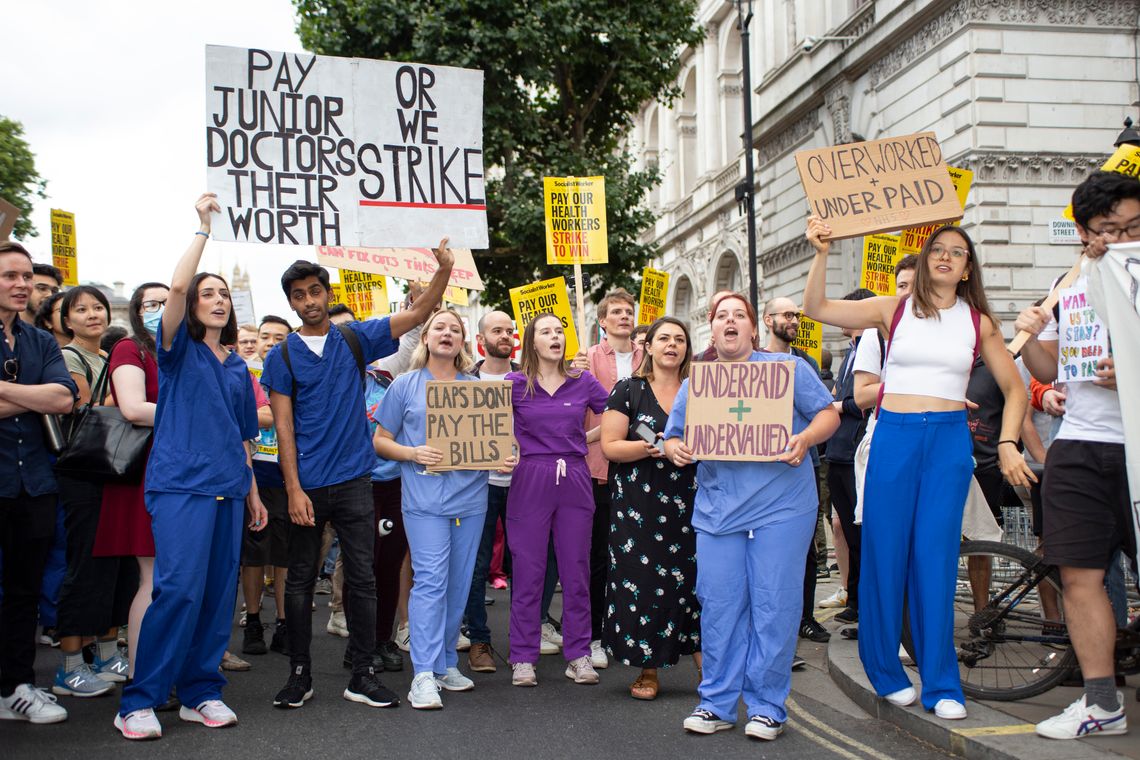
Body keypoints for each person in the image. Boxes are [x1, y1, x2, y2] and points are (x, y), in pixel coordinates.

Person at [803, 217, 1033, 721]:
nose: (947, 257)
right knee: (886, 554)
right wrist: (821, 252)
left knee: (935, 558)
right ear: (927, 258)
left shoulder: (979, 322)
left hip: (949, 441)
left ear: (968, 267)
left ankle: (941, 681)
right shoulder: (893, 308)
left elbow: (1016, 389)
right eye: (939, 249)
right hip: (895, 437)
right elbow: (816, 309)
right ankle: (885, 671)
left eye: (958, 252)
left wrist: (1011, 440)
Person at [263, 240, 455, 710]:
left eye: (314, 291)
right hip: (306, 484)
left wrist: (444, 271)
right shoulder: (281, 356)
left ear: (327, 293)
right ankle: (299, 674)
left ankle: (362, 672)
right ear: (290, 302)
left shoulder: (353, 339)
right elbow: (283, 427)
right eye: (299, 295)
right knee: (302, 580)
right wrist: (292, 488)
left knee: (364, 578)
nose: (309, 301)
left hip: (355, 480)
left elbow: (417, 315)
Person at [115, 194, 267, 740]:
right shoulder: (176, 350)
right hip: (180, 487)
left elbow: (243, 440)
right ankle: (140, 699)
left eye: (224, 293)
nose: (217, 300)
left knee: (215, 593)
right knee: (177, 589)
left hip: (230, 488)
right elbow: (176, 288)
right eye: (209, 293)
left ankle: (200, 692)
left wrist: (253, 493)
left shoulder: (237, 366)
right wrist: (203, 230)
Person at [665, 293, 838, 741]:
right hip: (720, 511)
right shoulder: (697, 382)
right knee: (720, 607)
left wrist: (804, 439)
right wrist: (675, 448)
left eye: (738, 315)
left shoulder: (788, 370)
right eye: (722, 315)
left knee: (774, 606)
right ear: (712, 327)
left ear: (753, 328)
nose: (730, 321)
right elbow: (673, 436)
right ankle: (716, 704)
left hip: (782, 509)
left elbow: (828, 415)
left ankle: (767, 707)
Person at [1015, 170, 1135, 740]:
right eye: (1109, 230)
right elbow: (1046, 371)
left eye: (1134, 227)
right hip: (1081, 446)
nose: (1122, 239)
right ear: (1085, 232)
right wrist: (1034, 333)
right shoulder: (1075, 288)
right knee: (1080, 576)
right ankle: (1101, 704)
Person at [374, 309, 515, 708]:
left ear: (463, 341)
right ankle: (421, 673)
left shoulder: (478, 389)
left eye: (455, 328)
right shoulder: (404, 385)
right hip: (424, 502)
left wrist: (508, 457)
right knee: (432, 582)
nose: (447, 333)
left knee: (458, 585)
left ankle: (444, 663)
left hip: (470, 502)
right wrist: (412, 451)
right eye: (440, 327)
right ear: (426, 338)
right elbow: (380, 441)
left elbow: (502, 444)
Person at [507, 313, 610, 687]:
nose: (555, 336)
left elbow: (617, 411)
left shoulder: (583, 381)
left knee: (576, 569)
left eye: (559, 331)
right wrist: (508, 448)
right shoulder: (514, 383)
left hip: (575, 476)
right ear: (532, 341)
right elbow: (493, 429)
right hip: (530, 477)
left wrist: (589, 439)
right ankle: (522, 656)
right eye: (545, 331)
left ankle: (579, 654)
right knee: (529, 570)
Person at [600, 317, 700, 700]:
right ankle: (648, 668)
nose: (672, 345)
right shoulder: (629, 390)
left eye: (679, 339)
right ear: (650, 347)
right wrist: (649, 447)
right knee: (646, 586)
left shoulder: (701, 391)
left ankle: (707, 664)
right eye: (664, 338)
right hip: (641, 507)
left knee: (696, 583)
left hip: (692, 500)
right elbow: (610, 446)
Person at [0, 241, 76, 725]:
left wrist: (12, 393)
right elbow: (45, 397)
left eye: (26, 276)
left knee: (24, 590)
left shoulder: (40, 341)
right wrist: (36, 397)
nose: (22, 284)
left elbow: (63, 399)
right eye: (10, 275)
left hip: (37, 484)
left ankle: (14, 687)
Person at [53, 284, 137, 697]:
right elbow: (91, 407)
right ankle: (68, 663)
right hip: (85, 473)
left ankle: (105, 651)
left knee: (117, 566)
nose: (93, 315)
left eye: (98, 308)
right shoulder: (67, 357)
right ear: (66, 319)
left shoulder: (108, 355)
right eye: (81, 309)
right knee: (85, 564)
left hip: (115, 472)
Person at [92, 283, 168, 681]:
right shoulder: (130, 348)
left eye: (170, 301)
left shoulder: (182, 352)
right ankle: (142, 675)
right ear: (138, 311)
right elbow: (134, 408)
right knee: (153, 578)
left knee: (175, 580)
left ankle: (166, 670)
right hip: (145, 472)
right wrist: (193, 413)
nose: (161, 309)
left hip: (181, 473)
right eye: (152, 303)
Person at [761, 297, 833, 642]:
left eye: (796, 315)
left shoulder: (805, 363)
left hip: (804, 465)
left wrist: (805, 439)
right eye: (787, 314)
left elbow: (823, 411)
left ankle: (805, 616)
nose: (793, 320)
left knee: (807, 545)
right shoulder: (754, 363)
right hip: (764, 470)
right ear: (767, 319)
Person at [585, 288, 643, 668]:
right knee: (599, 558)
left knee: (637, 556)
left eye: (629, 311)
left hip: (643, 469)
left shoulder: (648, 356)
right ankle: (594, 635)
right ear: (603, 321)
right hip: (600, 470)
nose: (624, 316)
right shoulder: (588, 360)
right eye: (616, 312)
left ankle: (635, 628)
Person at [463, 310, 519, 674]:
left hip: (525, 486)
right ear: (482, 339)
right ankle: (479, 639)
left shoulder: (529, 379)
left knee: (529, 564)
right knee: (477, 565)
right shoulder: (463, 381)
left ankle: (527, 637)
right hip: (478, 486)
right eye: (497, 330)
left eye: (509, 330)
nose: (505, 335)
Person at [820, 289, 875, 632]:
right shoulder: (850, 353)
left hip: (855, 450)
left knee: (862, 535)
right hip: (838, 454)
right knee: (849, 535)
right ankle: (855, 600)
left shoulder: (871, 347)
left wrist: (837, 406)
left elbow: (861, 401)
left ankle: (867, 607)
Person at [241, 314, 293, 658]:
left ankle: (286, 623)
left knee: (287, 555)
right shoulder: (242, 375)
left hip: (289, 474)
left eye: (279, 338)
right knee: (254, 555)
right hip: (254, 473)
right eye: (265, 337)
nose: (271, 343)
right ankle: (255, 621)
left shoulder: (297, 373)